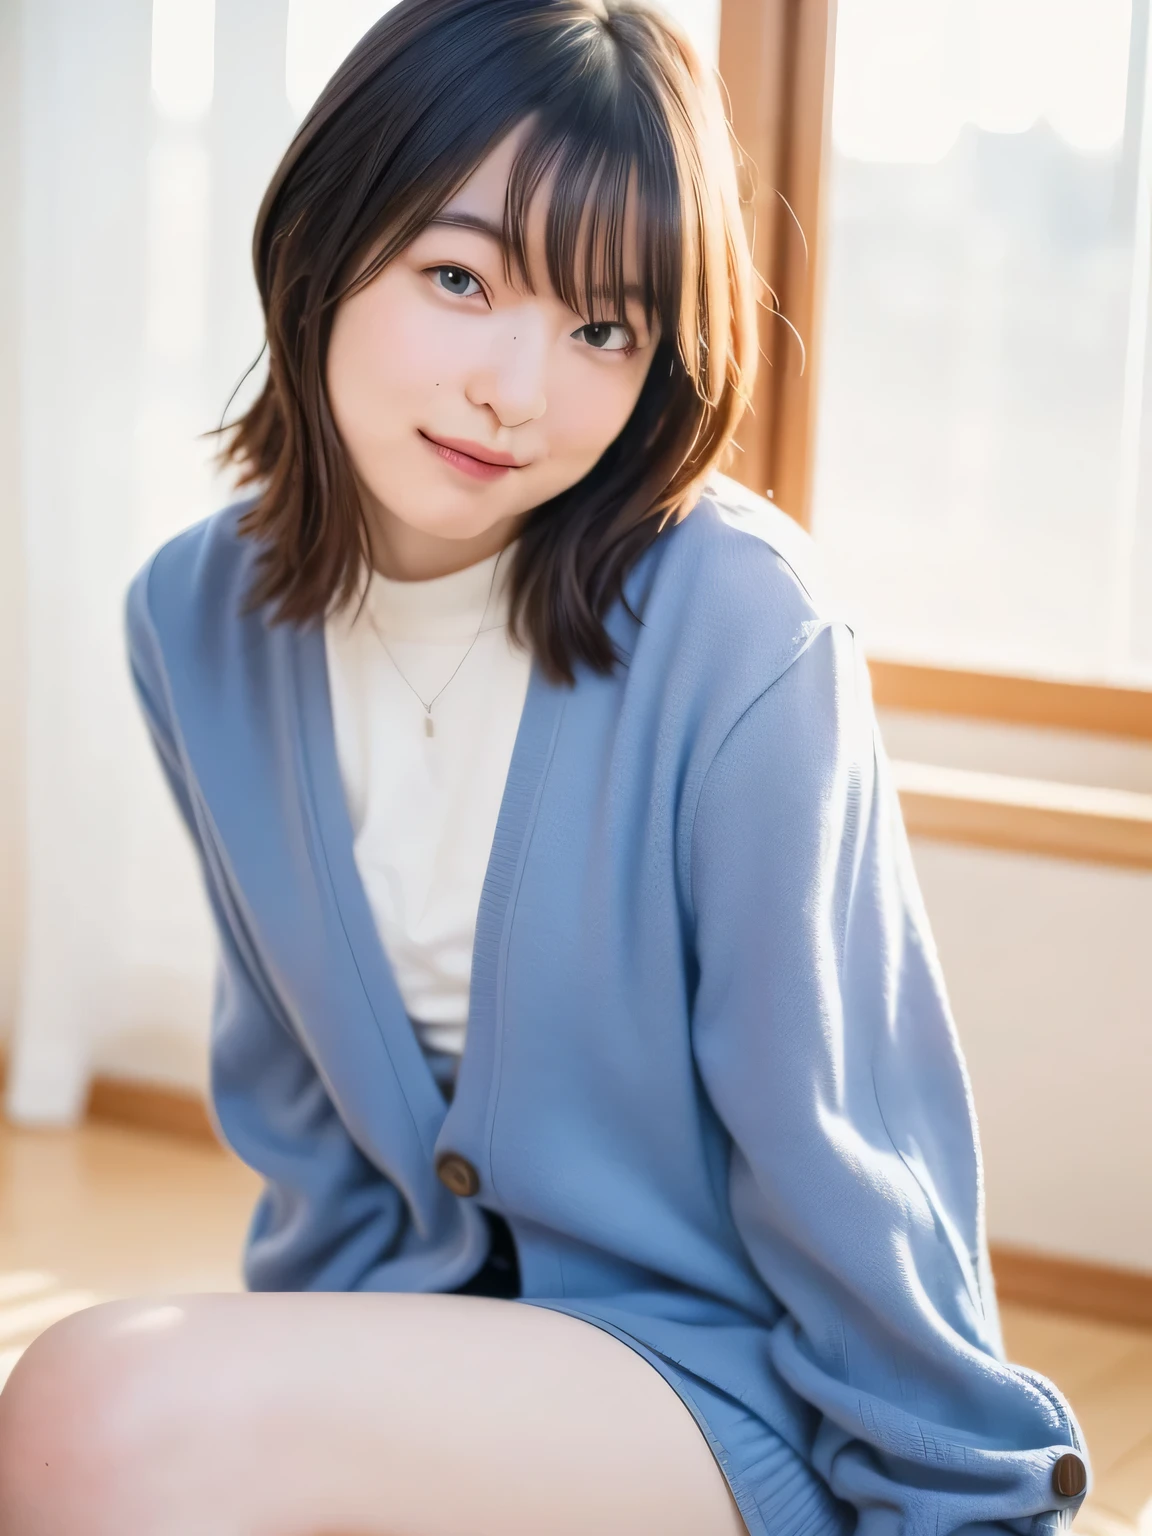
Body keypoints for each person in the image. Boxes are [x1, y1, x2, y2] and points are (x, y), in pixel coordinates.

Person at [0, 2, 1089, 1532]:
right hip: (443, 1369)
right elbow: (299, 1111)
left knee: (87, 1405)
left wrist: (953, 1497)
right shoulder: (195, 619)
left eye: (604, 327)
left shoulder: (738, 625)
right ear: (325, 244)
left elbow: (845, 1133)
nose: (520, 387)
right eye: (460, 278)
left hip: (717, 1379)